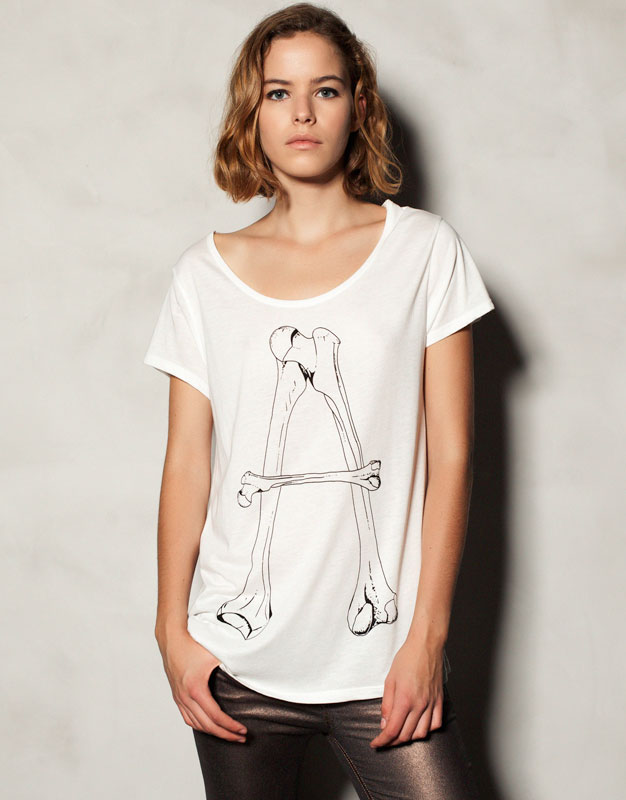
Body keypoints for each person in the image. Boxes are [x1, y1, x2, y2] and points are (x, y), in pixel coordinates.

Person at [143, 3, 494, 798]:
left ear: (358, 107)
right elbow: (187, 463)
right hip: (236, 661)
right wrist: (171, 632)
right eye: (279, 92)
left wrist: (426, 639)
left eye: (325, 90)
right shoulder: (203, 276)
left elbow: (453, 455)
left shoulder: (424, 251)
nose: (302, 113)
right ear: (254, 112)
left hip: (381, 661)